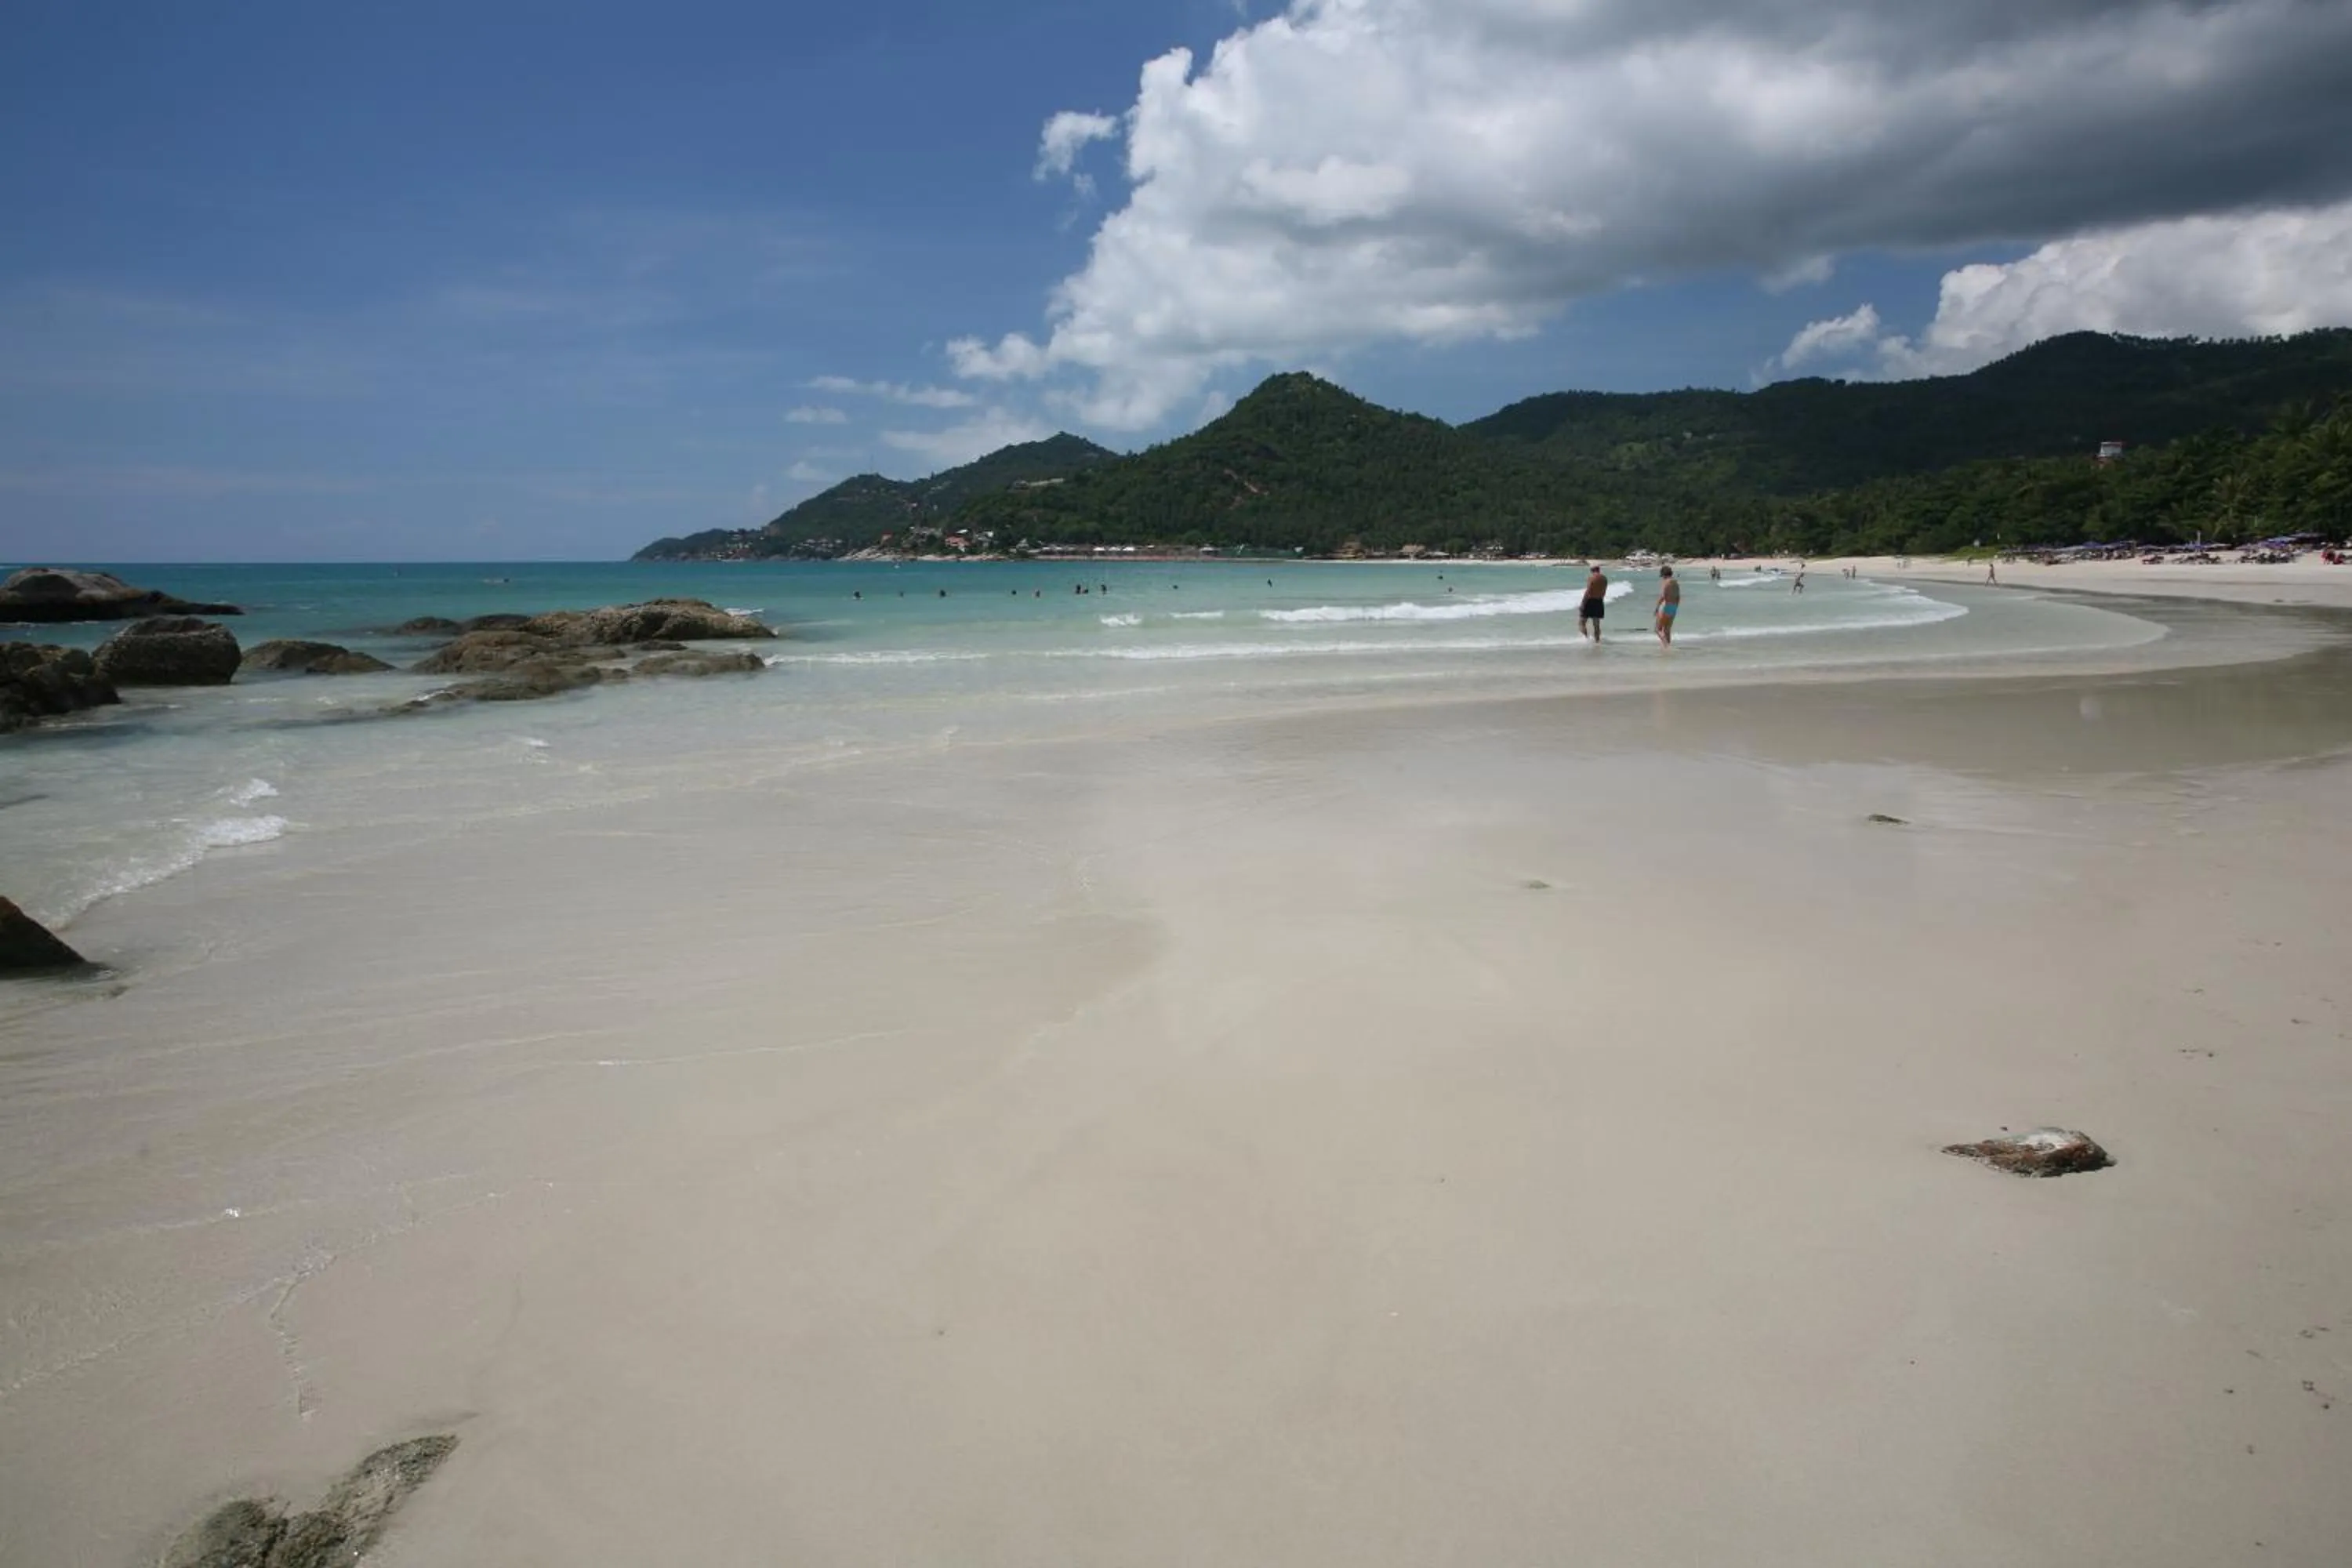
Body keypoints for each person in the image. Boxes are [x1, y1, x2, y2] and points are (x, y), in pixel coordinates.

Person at [1578, 562, 1609, 643]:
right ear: (1599, 569)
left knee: (1582, 622)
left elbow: (1588, 591)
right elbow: (1604, 591)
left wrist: (1583, 603)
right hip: (1599, 601)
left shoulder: (1592, 578)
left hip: (1590, 601)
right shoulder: (1604, 578)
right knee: (1596, 624)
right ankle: (1597, 641)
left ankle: (1586, 640)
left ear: (1592, 570)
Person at [1654, 564, 1680, 645]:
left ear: (1663, 574)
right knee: (1667, 630)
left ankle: (1666, 646)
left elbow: (1663, 596)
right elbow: (1678, 597)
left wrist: (1657, 607)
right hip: (1673, 606)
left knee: (1658, 629)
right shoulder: (1676, 583)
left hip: (1665, 606)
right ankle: (1668, 646)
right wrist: (1675, 607)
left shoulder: (1666, 582)